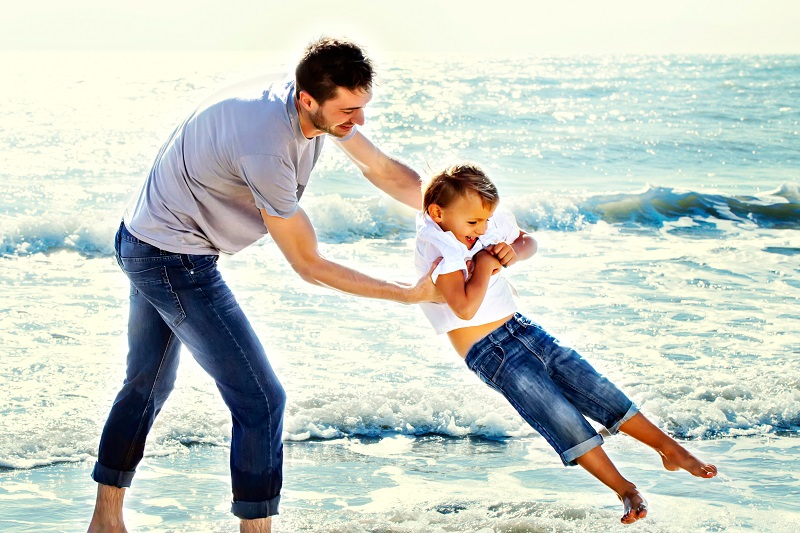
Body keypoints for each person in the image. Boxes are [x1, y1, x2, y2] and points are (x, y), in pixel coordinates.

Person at [88, 37, 440, 533]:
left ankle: (105, 522)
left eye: (362, 109)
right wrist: (408, 292)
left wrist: (458, 214)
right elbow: (308, 263)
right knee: (261, 399)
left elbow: (382, 170)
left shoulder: (311, 105)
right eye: (349, 111)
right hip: (172, 258)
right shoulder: (267, 145)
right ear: (308, 99)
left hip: (146, 238)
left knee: (148, 383)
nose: (357, 122)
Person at [414, 163, 718, 524]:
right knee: (561, 417)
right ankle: (625, 489)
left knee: (597, 388)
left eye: (485, 221)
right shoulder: (438, 243)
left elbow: (527, 241)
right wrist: (484, 263)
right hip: (490, 353)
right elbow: (464, 308)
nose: (480, 231)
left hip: (521, 328)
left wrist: (512, 253)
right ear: (437, 213)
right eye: (473, 225)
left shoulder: (477, 218)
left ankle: (671, 450)